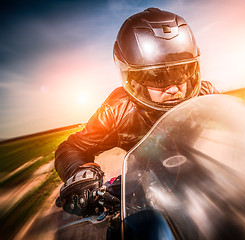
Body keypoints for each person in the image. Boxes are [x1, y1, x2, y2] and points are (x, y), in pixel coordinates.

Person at [55, 8, 218, 216]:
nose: (174, 88)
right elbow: (70, 148)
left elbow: (240, 130)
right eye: (157, 77)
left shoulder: (207, 95)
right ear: (133, 80)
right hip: (144, 190)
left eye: (180, 72)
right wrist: (81, 173)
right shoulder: (117, 110)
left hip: (204, 180)